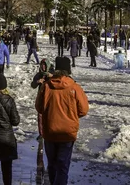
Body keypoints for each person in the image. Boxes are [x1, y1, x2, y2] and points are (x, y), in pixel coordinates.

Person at [35, 57, 89, 185]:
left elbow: (39, 107)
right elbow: (84, 109)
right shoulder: (74, 87)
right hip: (67, 132)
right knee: (63, 166)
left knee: (52, 165)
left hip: (50, 130)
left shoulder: (46, 86)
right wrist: (71, 116)